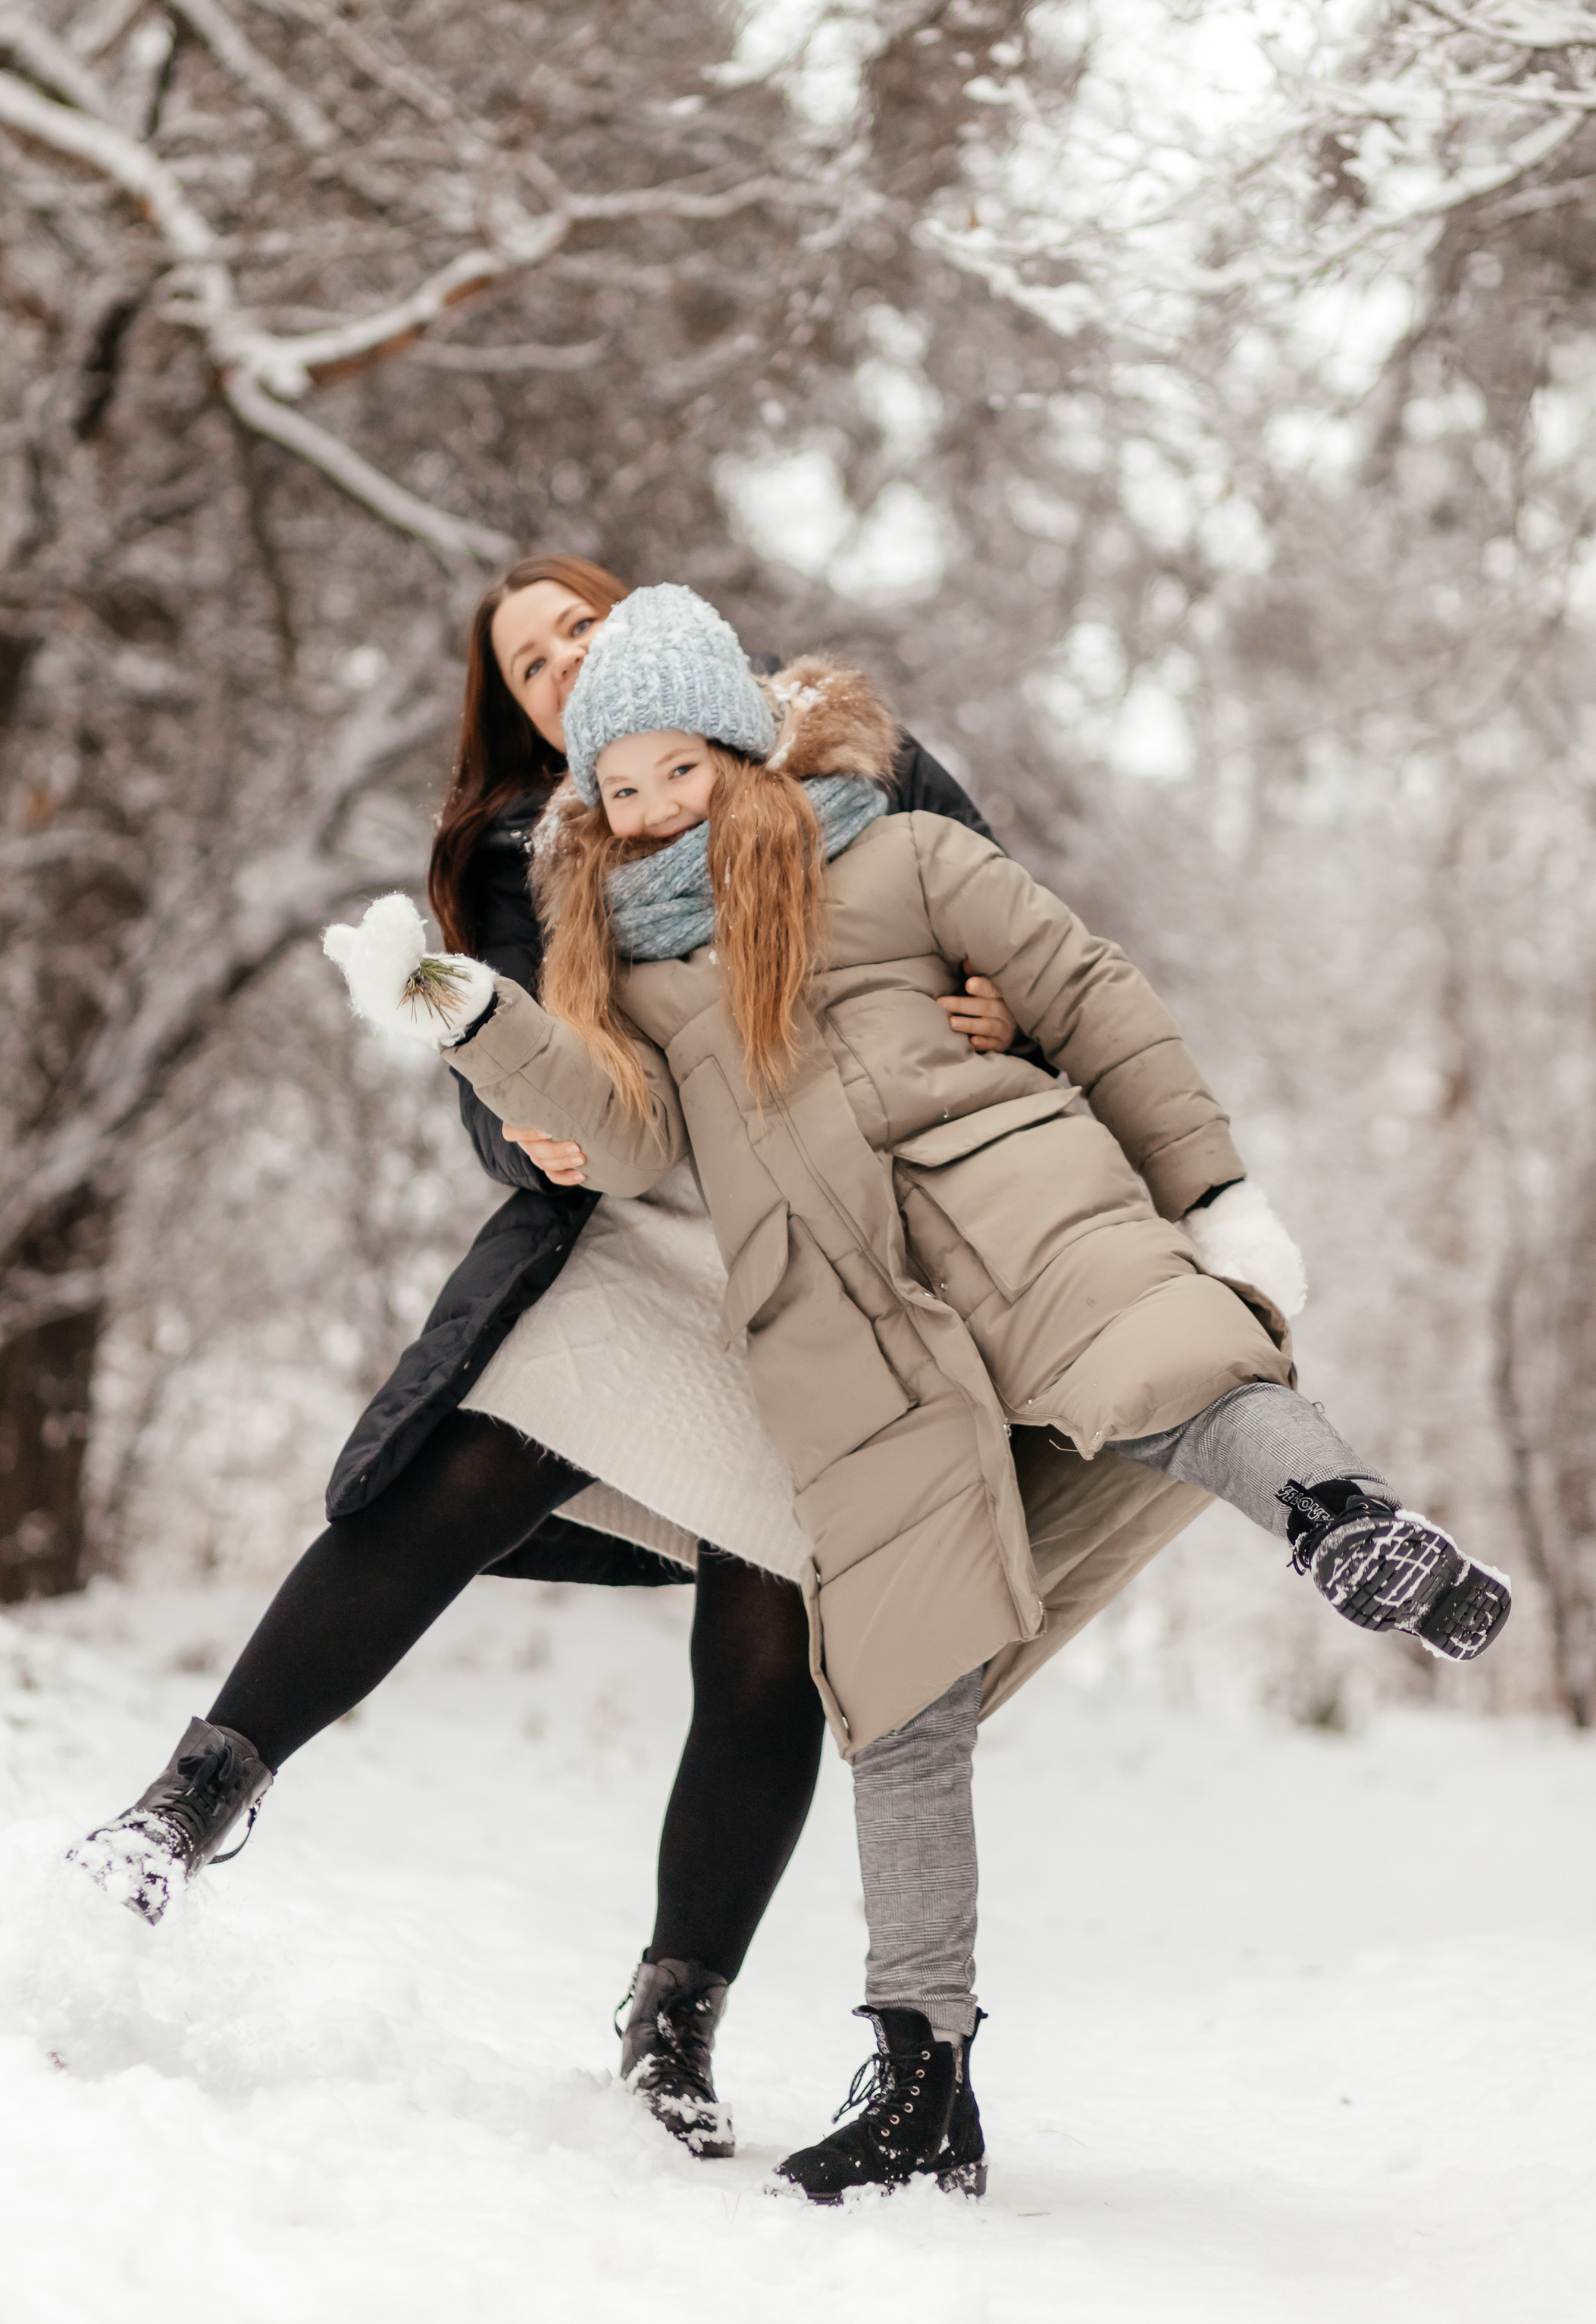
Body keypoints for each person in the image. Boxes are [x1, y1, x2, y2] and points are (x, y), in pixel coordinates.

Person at [325, 582, 1513, 2205]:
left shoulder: (896, 853)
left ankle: (1342, 1517)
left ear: (738, 748)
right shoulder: (637, 982)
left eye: (681, 765)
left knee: (1170, 1372)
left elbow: (1090, 994)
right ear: (591, 810)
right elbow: (619, 1140)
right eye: (624, 786)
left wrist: (1214, 1196)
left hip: (1012, 1208)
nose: (660, 803)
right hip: (843, 1332)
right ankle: (919, 2080)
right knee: (901, 1690)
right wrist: (471, 1020)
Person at [70, 555, 1020, 2160]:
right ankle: (184, 1807)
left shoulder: (827, 745)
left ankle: (675, 2018)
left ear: (650, 632)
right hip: (648, 1235)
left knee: (770, 1635)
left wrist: (995, 1004)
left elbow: (983, 900)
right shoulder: (524, 853)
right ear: (516, 718)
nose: (561, 666)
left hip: (837, 1249)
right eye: (526, 666)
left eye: (576, 627)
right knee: (456, 1470)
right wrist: (525, 1136)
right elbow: (499, 1064)